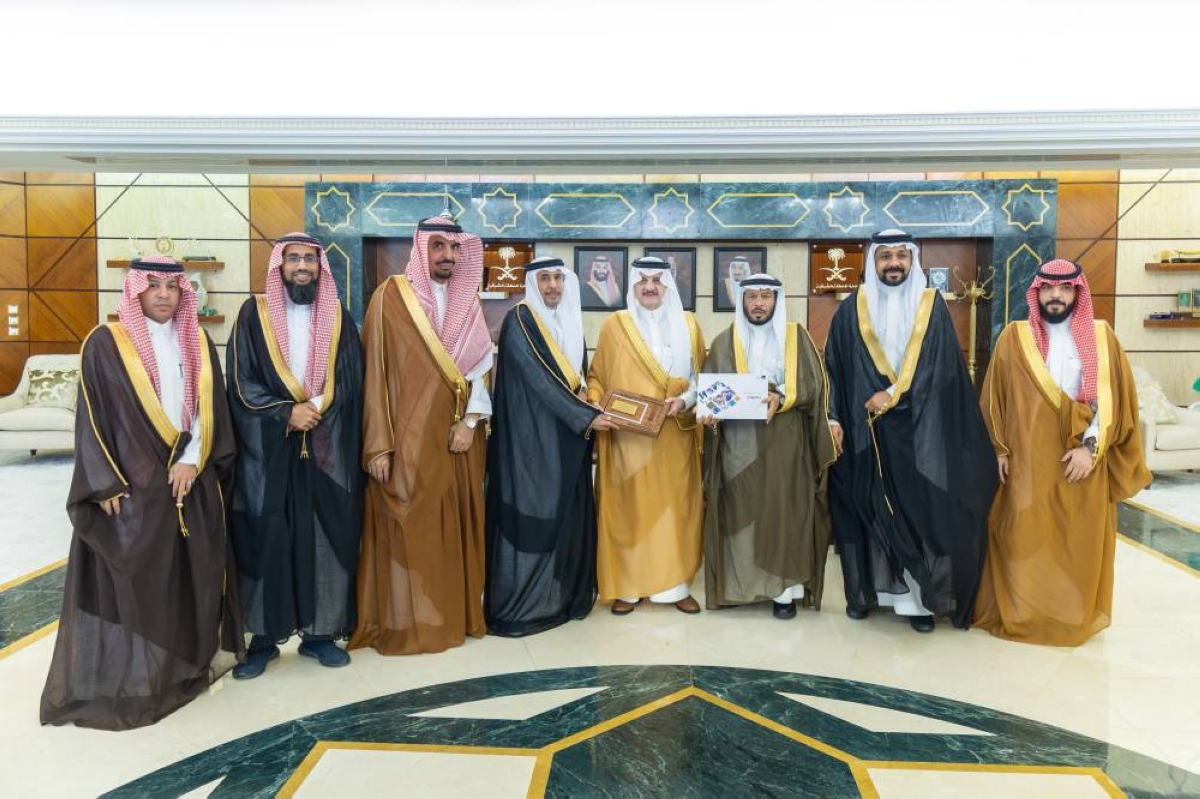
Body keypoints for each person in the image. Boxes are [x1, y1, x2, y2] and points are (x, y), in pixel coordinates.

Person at [40, 256, 242, 730]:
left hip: (187, 479)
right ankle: (135, 675)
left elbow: (209, 409)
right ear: (135, 291)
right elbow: (92, 416)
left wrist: (193, 459)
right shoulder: (106, 343)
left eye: (172, 287)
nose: (164, 295)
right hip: (130, 486)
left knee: (189, 575)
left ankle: (181, 666)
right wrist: (103, 481)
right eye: (153, 286)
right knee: (138, 580)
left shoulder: (197, 340)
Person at [824, 230, 997, 633]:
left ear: (912, 260)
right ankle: (867, 595)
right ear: (873, 262)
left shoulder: (931, 306)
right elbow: (833, 368)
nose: (893, 264)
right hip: (863, 432)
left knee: (917, 511)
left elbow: (942, 368)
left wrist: (893, 396)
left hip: (921, 433)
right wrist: (833, 418)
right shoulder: (850, 309)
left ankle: (918, 603)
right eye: (885, 256)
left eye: (901, 256)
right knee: (866, 508)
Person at [974, 259, 1151, 646]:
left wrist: (1090, 449)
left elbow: (1113, 402)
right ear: (1036, 292)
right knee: (1021, 534)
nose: (1056, 295)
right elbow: (994, 398)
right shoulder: (1014, 337)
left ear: (1078, 292)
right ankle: (1024, 613)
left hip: (1080, 460)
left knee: (1076, 539)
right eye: (1048, 289)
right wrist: (999, 449)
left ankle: (1068, 616)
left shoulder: (1102, 338)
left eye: (1066, 288)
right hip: (1026, 459)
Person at [350, 216, 493, 655]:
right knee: (407, 530)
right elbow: (373, 375)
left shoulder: (469, 302)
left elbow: (481, 373)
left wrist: (470, 423)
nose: (447, 256)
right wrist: (378, 444)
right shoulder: (390, 298)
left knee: (452, 529)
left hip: (456, 441)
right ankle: (403, 622)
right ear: (420, 249)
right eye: (438, 246)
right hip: (404, 443)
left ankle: (450, 616)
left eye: (454, 248)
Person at [226, 232, 365, 678]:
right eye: (293, 259)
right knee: (267, 537)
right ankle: (264, 639)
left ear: (320, 266)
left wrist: (314, 409)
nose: (302, 266)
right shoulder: (254, 314)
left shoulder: (338, 316)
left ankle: (320, 634)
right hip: (267, 452)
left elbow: (351, 375)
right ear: (279, 266)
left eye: (309, 259)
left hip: (324, 447)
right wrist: (286, 412)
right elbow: (241, 379)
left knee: (322, 536)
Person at [485, 257, 616, 636]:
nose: (553, 286)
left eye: (558, 278)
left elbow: (576, 376)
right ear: (532, 283)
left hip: (567, 437)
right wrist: (586, 417)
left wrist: (588, 400)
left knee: (566, 514)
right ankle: (519, 606)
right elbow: (540, 379)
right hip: (530, 439)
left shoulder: (568, 320)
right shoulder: (520, 319)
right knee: (532, 513)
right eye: (544, 278)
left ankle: (562, 596)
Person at [698, 275, 840, 619]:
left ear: (776, 300)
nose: (759, 303)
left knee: (784, 513)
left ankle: (784, 593)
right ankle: (741, 588)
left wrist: (782, 396)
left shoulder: (797, 337)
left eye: (766, 296)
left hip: (786, 441)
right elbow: (711, 394)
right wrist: (709, 414)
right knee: (739, 513)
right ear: (742, 301)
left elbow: (816, 386)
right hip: (738, 444)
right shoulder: (723, 342)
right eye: (752, 297)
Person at [586, 256, 706, 615]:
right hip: (628, 438)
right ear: (633, 286)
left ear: (667, 285)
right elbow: (597, 377)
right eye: (643, 281)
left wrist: (684, 400)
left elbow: (702, 378)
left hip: (674, 433)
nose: (650, 287)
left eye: (657, 280)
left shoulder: (689, 324)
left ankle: (676, 586)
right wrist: (596, 406)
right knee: (631, 510)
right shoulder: (615, 325)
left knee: (675, 511)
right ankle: (628, 586)